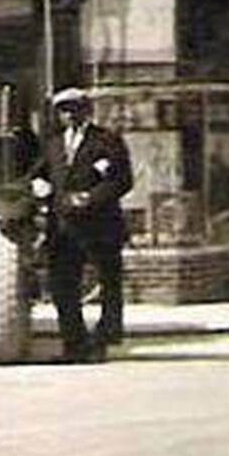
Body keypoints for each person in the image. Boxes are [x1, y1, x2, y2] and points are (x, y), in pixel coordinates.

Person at [39, 87, 135, 362]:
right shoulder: (53, 143)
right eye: (63, 110)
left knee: (108, 283)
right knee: (63, 286)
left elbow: (121, 180)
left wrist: (91, 198)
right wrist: (39, 185)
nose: (69, 115)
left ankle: (105, 337)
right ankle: (74, 344)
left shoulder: (106, 140)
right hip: (62, 227)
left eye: (74, 109)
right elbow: (42, 173)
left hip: (100, 225)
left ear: (86, 111)